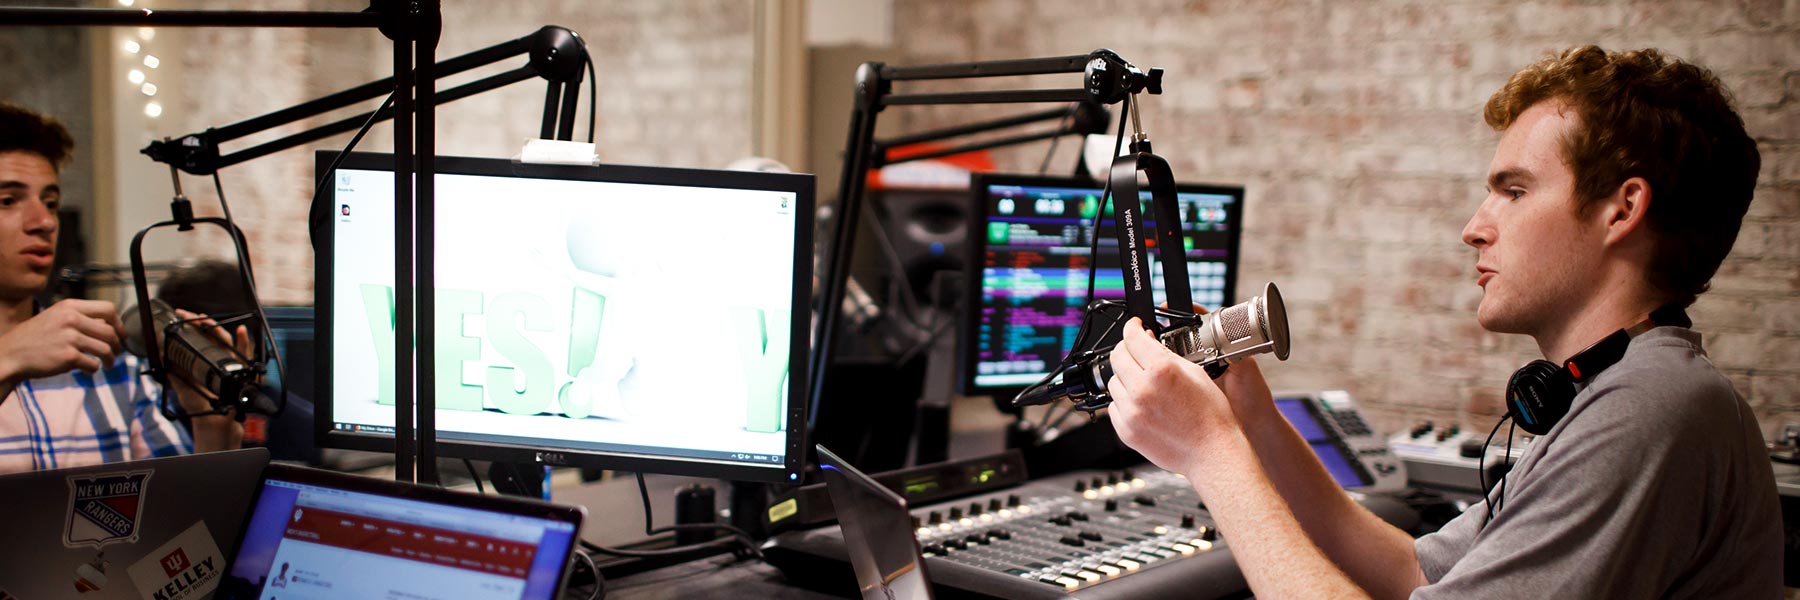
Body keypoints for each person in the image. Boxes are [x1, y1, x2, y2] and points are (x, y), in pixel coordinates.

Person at [1104, 46, 1778, 598]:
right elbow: (1413, 572)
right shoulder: (1617, 389)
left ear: (1621, 210)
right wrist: (1252, 419)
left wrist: (1210, 454)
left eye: (1514, 191)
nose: (1473, 229)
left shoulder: (1648, 413)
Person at [0, 102, 243, 473]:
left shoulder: (110, 368)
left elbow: (185, 522)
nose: (44, 221)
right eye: (8, 201)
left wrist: (211, 428)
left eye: (51, 202)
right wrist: (8, 359)